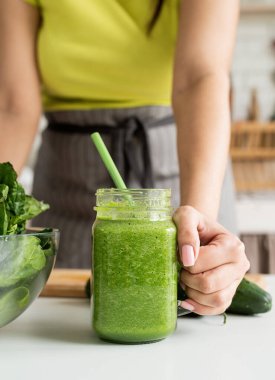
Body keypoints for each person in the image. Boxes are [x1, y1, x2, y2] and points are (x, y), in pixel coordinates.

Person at [0, 0, 249, 316]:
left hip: (183, 166)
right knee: (64, 328)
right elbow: (12, 104)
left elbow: (199, 78)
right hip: (70, 180)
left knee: (193, 323)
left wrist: (198, 226)